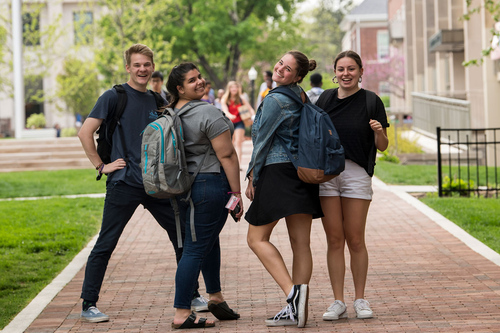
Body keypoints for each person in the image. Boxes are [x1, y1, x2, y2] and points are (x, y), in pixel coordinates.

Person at [77, 44, 203, 323]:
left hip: (156, 184)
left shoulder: (156, 99)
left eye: (147, 64)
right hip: (124, 182)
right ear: (128, 68)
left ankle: (192, 294)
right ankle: (89, 303)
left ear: (152, 66)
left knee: (181, 235)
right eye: (137, 65)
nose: (142, 69)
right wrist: (102, 165)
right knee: (106, 243)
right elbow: (85, 132)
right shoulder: (114, 96)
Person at [245, 51, 322, 328]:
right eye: (280, 63)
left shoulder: (275, 99)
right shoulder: (300, 95)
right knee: (301, 244)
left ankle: (293, 295)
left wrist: (252, 175)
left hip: (278, 172)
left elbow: (261, 139)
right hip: (302, 172)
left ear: (298, 75)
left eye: (287, 68)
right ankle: (297, 309)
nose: (280, 69)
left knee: (256, 238)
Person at [166, 63, 242, 329]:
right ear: (179, 88)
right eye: (192, 80)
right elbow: (228, 155)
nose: (200, 81)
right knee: (196, 248)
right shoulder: (208, 112)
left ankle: (216, 297)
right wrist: (236, 193)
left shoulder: (168, 114)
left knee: (206, 240)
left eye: (199, 77)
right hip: (210, 185)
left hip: (183, 187)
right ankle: (181, 312)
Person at [315, 50, 389, 321]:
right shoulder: (324, 99)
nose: (346, 73)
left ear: (360, 71)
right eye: (341, 69)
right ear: (334, 73)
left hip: (356, 173)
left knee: (355, 239)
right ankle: (338, 301)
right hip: (327, 175)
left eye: (351, 69)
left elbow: (382, 146)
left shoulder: (371, 101)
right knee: (334, 240)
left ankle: (360, 299)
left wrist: (379, 132)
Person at [220, 81, 255, 166]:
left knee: (238, 142)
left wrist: (254, 116)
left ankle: (238, 164)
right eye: (232, 87)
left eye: (236, 87)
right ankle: (230, 163)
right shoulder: (225, 98)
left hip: (239, 123)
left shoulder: (241, 98)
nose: (234, 89)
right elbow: (224, 110)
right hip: (229, 123)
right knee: (231, 143)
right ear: (229, 89)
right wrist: (230, 115)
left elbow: (250, 109)